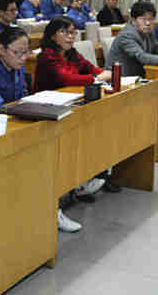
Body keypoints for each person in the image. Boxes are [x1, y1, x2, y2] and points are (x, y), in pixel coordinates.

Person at [33, 16, 111, 232]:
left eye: (73, 32)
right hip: (46, 113)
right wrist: (96, 79)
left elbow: (91, 68)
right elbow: (65, 78)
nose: (70, 36)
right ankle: (62, 198)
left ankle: (81, 183)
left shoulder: (72, 53)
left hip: (69, 107)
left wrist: (100, 74)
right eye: (65, 32)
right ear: (52, 35)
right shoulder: (46, 56)